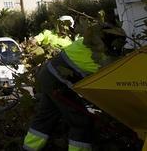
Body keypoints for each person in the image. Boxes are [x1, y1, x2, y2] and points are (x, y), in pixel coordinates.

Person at [22, 23, 126, 151]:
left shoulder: (83, 43)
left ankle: (28, 148)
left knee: (45, 117)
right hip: (58, 84)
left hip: (47, 76)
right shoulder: (100, 58)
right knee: (81, 122)